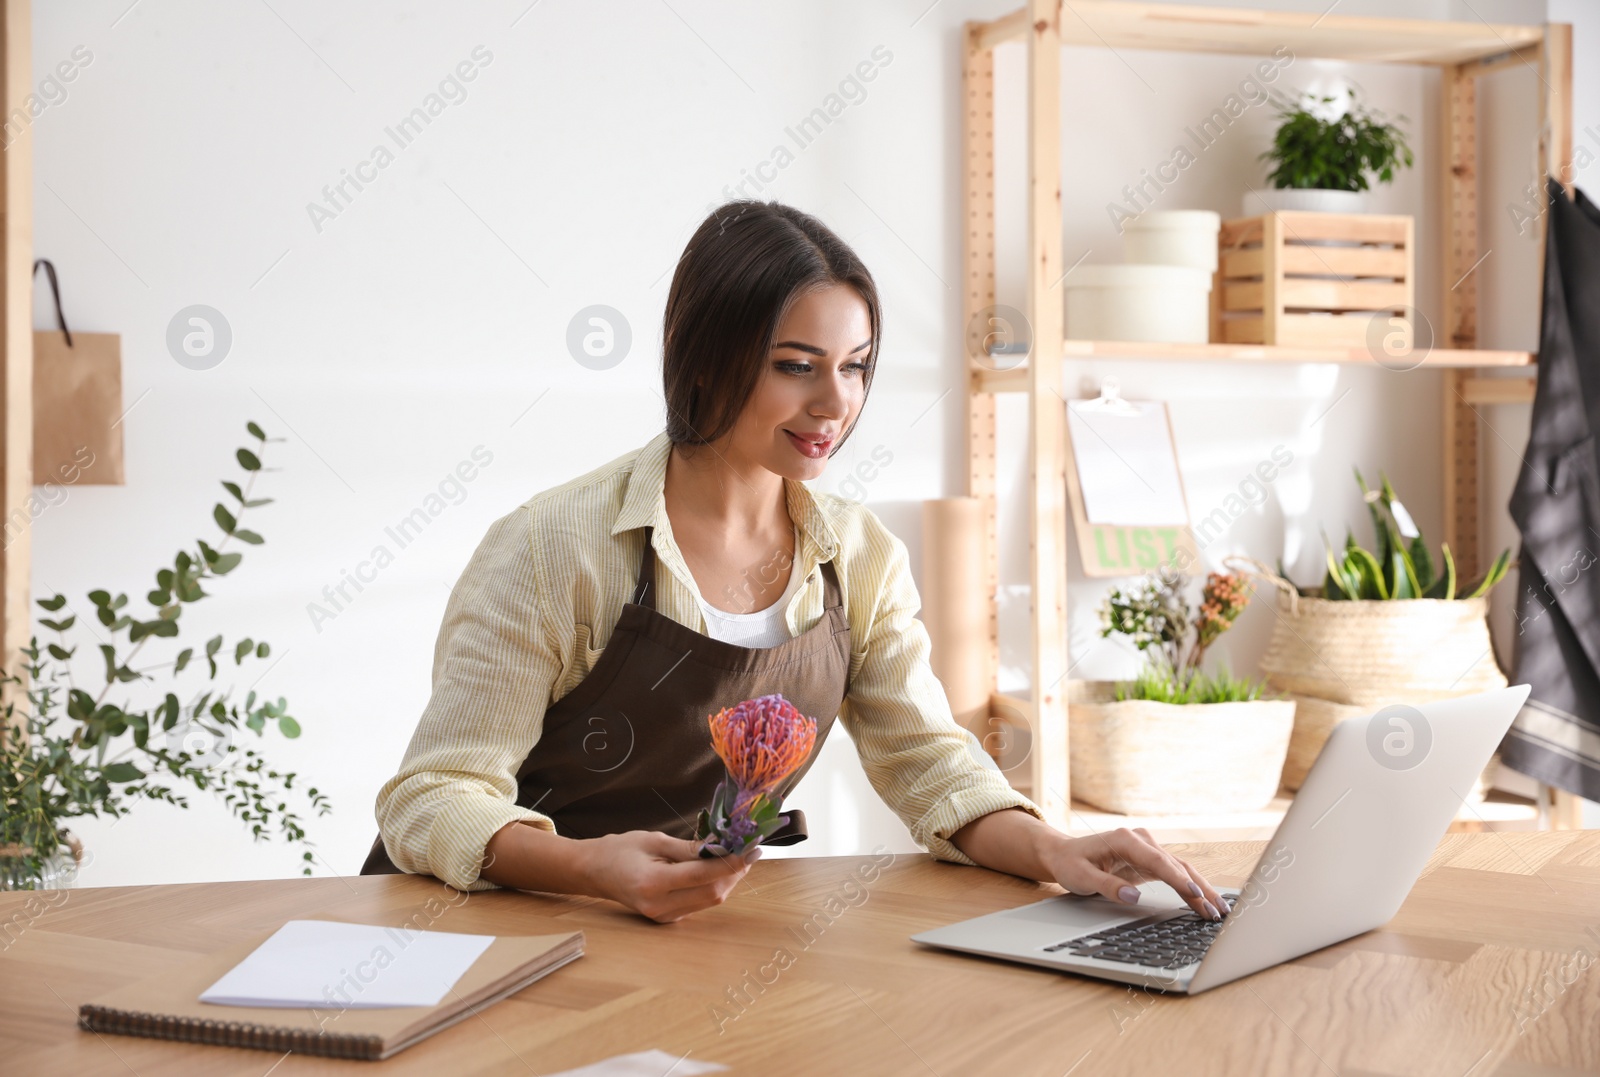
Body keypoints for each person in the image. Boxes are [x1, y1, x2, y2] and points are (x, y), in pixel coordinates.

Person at [362, 200, 1227, 925]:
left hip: (690, 935)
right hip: (501, 934)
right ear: (705, 357)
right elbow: (433, 796)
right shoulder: (553, 549)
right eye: (796, 367)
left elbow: (929, 762)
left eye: (855, 368)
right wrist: (590, 867)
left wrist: (1055, 847)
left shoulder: (856, 555)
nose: (836, 403)